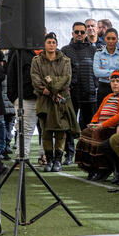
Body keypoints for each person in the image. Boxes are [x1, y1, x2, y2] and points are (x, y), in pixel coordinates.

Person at [31, 33, 78, 172]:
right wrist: (46, 89)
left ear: (57, 44)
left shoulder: (65, 60)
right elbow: (35, 78)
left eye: (53, 42)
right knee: (45, 131)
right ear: (44, 44)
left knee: (60, 131)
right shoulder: (37, 61)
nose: (51, 44)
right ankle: (49, 160)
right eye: (49, 42)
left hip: (60, 100)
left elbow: (66, 79)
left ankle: (58, 160)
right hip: (44, 100)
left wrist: (50, 86)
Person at [76, 71, 119, 180]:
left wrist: (102, 125)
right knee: (85, 132)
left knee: (97, 134)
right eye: (112, 81)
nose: (115, 84)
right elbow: (99, 112)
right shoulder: (108, 96)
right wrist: (94, 123)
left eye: (118, 81)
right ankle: (91, 168)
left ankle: (102, 169)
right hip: (102, 126)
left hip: (114, 128)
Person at [61, 21, 99, 136]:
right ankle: (69, 152)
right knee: (69, 125)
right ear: (72, 33)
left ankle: (88, 152)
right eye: (76, 32)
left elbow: (96, 70)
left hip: (89, 93)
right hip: (71, 93)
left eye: (82, 32)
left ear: (86, 33)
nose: (79, 34)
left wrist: (94, 85)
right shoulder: (65, 50)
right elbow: (61, 71)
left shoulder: (93, 50)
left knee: (89, 127)